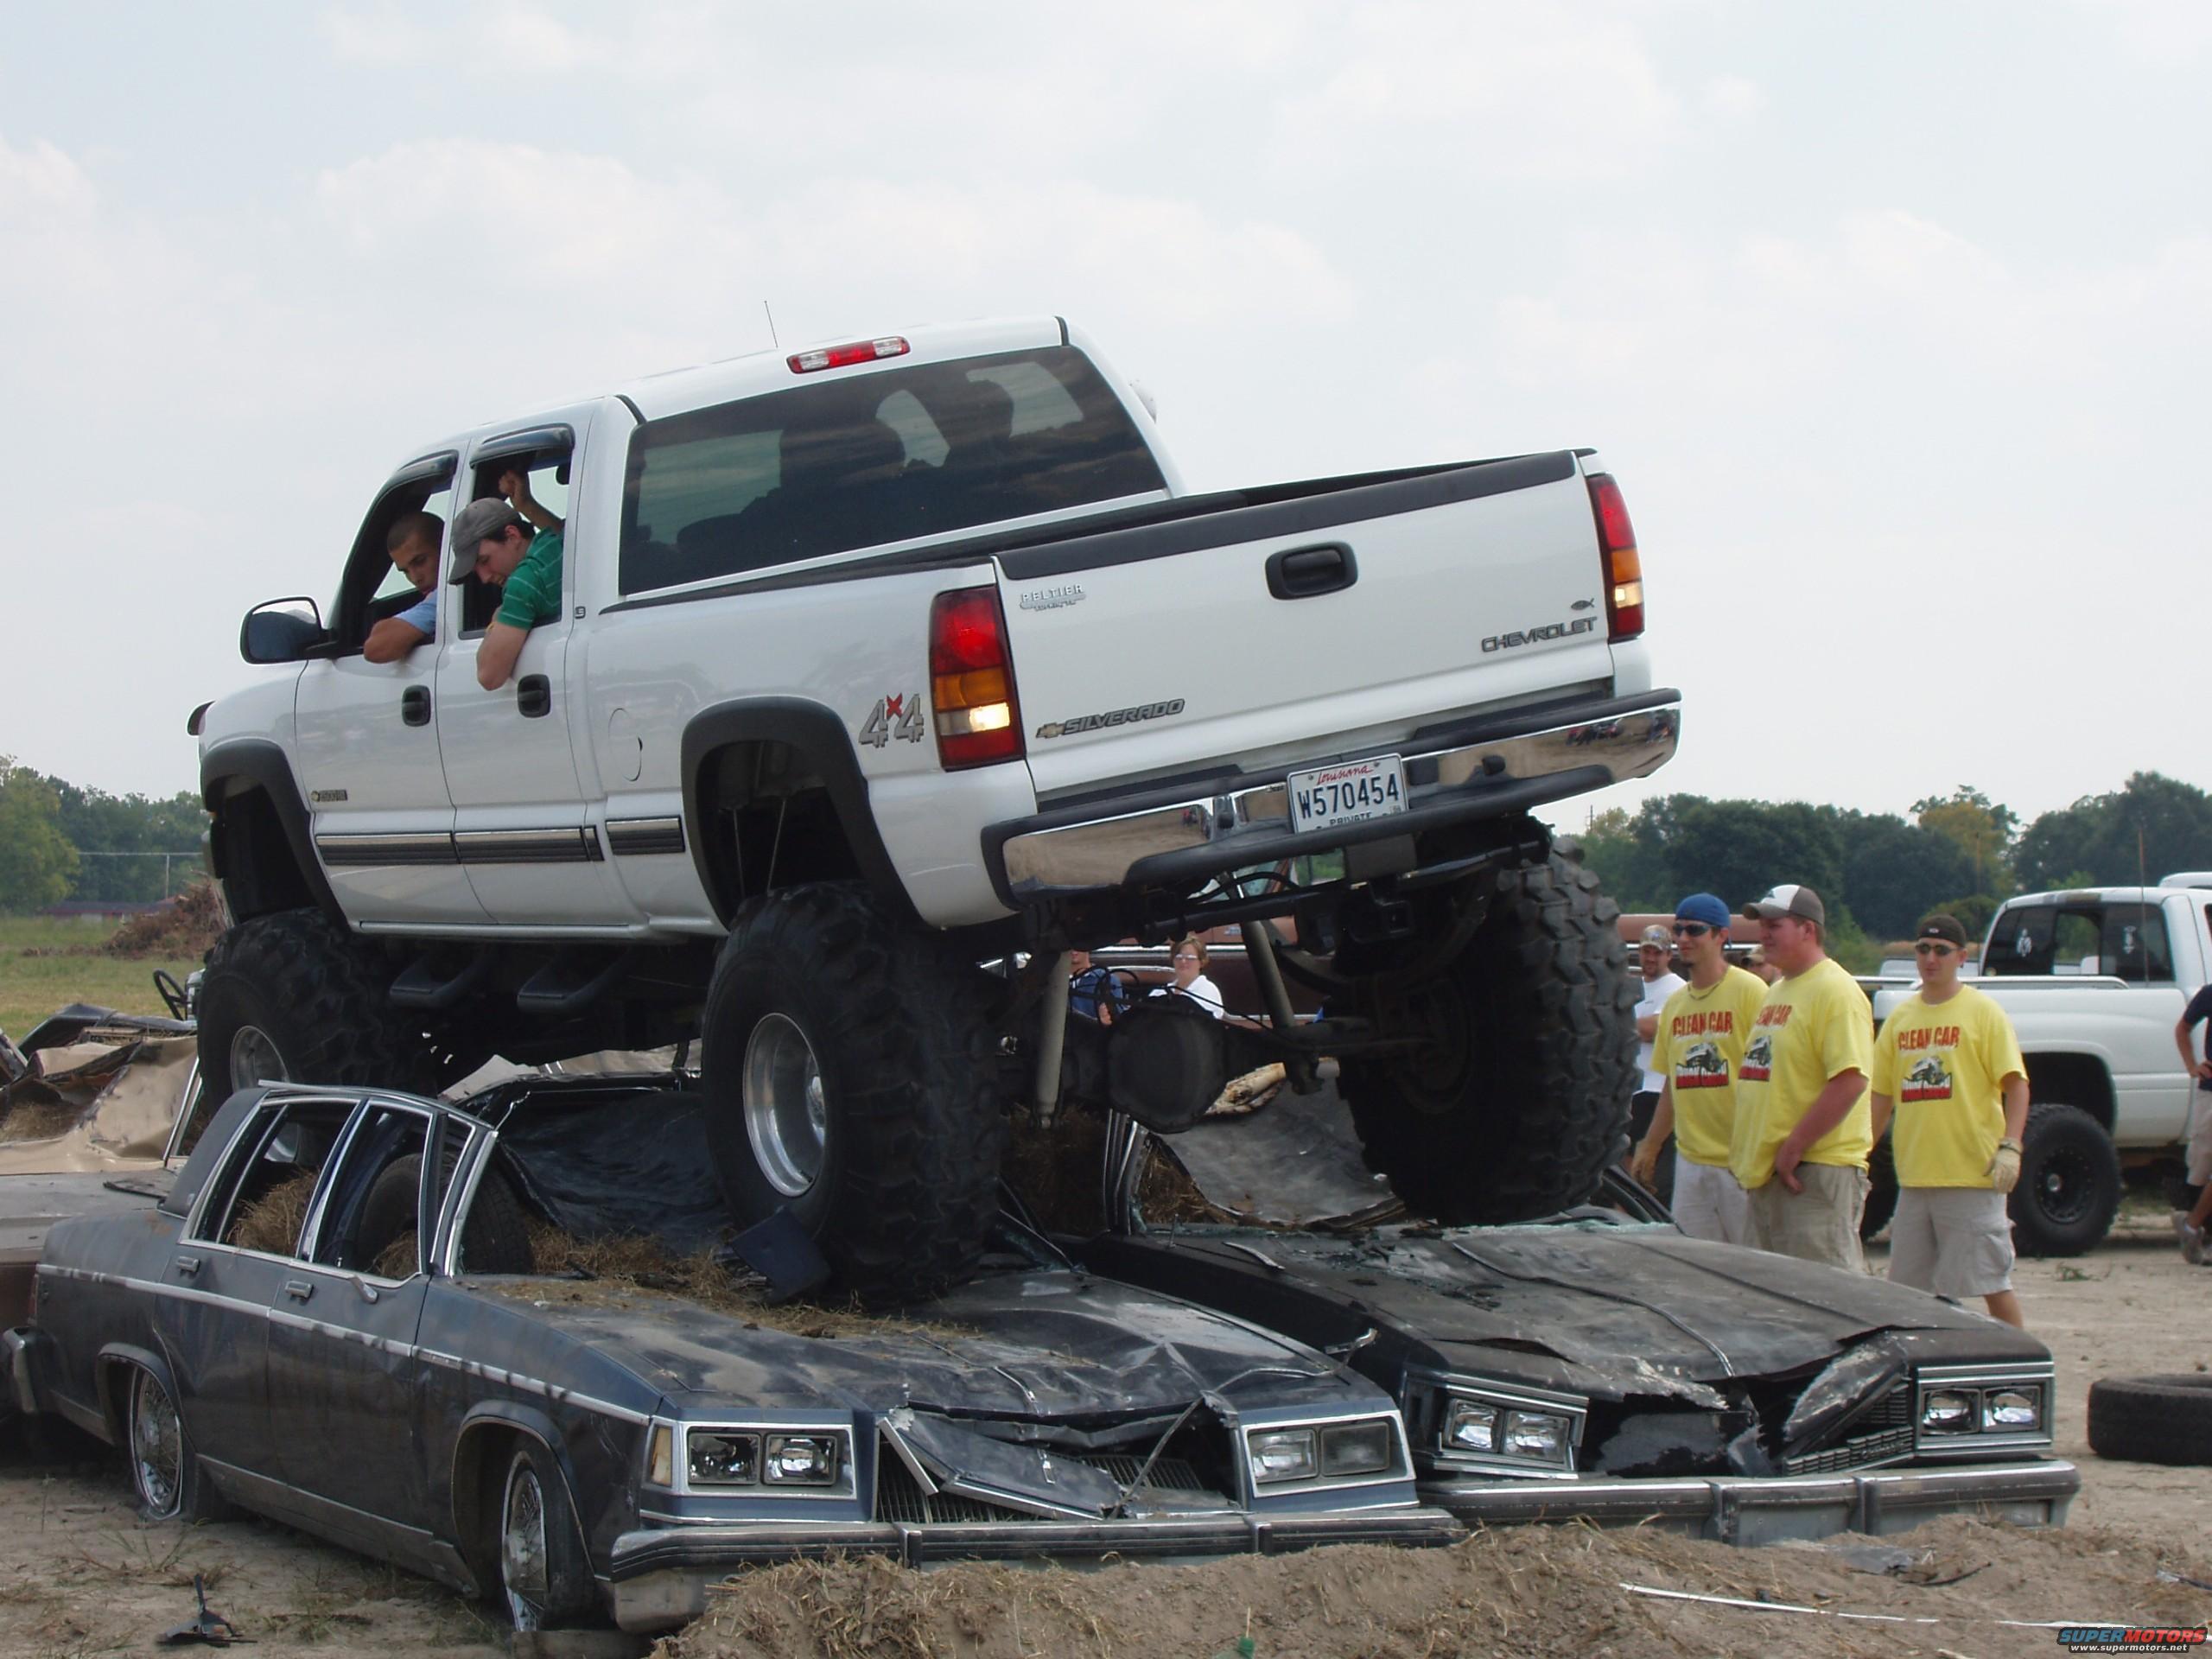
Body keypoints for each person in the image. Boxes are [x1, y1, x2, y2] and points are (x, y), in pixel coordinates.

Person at [1868, 914, 2029, 1325]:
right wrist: (1858, 1156)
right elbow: (1881, 1096)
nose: (1931, 959)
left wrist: (2011, 1145)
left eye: (1941, 951)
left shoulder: (1983, 1012)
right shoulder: (1900, 1019)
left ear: (1961, 957)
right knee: (1905, 1297)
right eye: (1923, 949)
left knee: (1991, 1283)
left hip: (1971, 1176)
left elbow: (2016, 1085)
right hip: (1915, 1179)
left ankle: (2021, 1362)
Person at [1729, 883, 1875, 1270]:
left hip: (1814, 1171)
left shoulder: (1835, 990)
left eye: (1774, 925)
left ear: (1808, 929)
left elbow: (1850, 1079)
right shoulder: (1778, 991)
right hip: (1772, 1173)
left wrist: (1795, 1146)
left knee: (1825, 1295)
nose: (1764, 934)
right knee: (1769, 1295)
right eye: (1762, 925)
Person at [1630, 893, 1767, 1243]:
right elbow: (1673, 1083)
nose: (1683, 938)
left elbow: (1772, 1074)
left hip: (1740, 1160)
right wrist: (1650, 1145)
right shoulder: (1677, 1004)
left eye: (1694, 930)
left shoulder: (1750, 991)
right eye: (1678, 929)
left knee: (1751, 1262)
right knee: (1696, 1263)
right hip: (1691, 1160)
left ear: (1721, 936)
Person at [448, 469, 565, 690]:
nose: (484, 578)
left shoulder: (524, 582)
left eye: (484, 560)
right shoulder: (556, 543)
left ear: (512, 535)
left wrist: (496, 620)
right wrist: (527, 504)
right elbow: (565, 530)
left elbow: (489, 677)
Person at [1629, 924, 1687, 1156]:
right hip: (1632, 1090)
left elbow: (1656, 1028)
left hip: (1656, 1089)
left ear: (1669, 955)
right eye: (1646, 951)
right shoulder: (1633, 986)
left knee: (1643, 1159)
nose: (1651, 958)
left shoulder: (1677, 988)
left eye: (1657, 952)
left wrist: (1617, 1024)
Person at [361, 512, 444, 663]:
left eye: (420, 561)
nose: (415, 578)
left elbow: (376, 648)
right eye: (405, 571)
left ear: (445, 548)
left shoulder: (445, 597)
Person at [2171, 977, 2212, 1261]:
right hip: (2210, 1092)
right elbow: (2183, 1028)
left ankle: (2192, 1226)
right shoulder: (2208, 994)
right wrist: (2191, 1065)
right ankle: (2192, 1226)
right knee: (2200, 1167)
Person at [1155, 937, 1224, 1018]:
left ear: (1201, 962)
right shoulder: (1160, 992)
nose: (1183, 961)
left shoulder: (1209, 990)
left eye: (1189, 958)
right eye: (1179, 957)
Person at [1067, 947, 1128, 1026]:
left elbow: (1114, 1023)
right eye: (1069, 944)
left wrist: (1103, 1020)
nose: (1073, 949)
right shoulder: (1053, 979)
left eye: (1077, 943)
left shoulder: (1107, 980)